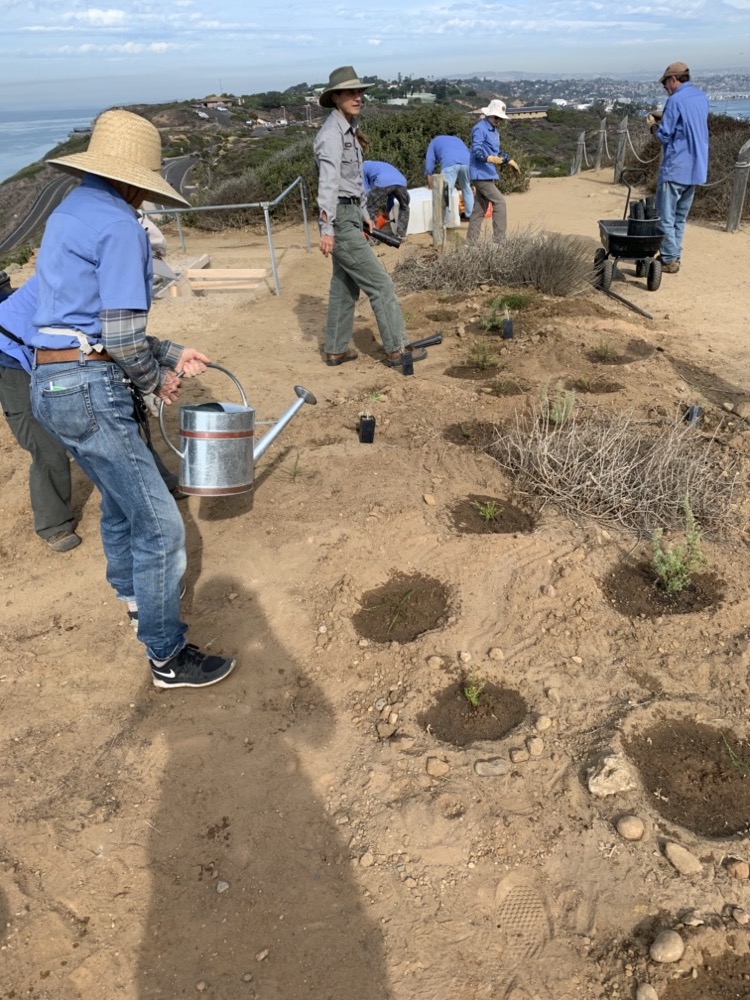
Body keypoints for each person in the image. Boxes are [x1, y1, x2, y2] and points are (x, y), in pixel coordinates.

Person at [28, 108, 236, 689]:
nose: (145, 199)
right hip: (91, 389)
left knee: (121, 504)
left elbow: (88, 322)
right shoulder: (119, 224)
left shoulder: (71, 211)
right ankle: (167, 656)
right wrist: (153, 382)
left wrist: (169, 353)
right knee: (161, 526)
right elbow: (119, 336)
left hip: (52, 381)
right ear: (134, 179)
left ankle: (135, 598)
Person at [313, 65, 426, 369]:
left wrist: (362, 215)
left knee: (344, 286)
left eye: (360, 91)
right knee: (381, 285)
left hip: (348, 214)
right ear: (335, 97)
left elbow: (353, 183)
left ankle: (336, 350)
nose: (357, 96)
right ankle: (397, 349)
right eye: (350, 92)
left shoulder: (347, 130)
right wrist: (327, 228)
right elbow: (328, 183)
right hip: (338, 217)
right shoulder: (331, 135)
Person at [0, 276, 80, 552]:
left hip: (44, 345)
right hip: (10, 358)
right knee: (44, 442)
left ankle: (156, 486)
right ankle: (54, 523)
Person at [650, 61, 709, 274]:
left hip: (676, 166)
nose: (665, 88)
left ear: (673, 79)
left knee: (665, 216)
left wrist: (653, 126)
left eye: (666, 83)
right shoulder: (701, 98)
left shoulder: (675, 101)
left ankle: (668, 259)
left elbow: (665, 136)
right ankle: (674, 254)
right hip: (696, 167)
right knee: (680, 218)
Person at [466, 99, 520, 245]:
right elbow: (476, 151)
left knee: (479, 209)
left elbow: (496, 151)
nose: (498, 120)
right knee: (500, 202)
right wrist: (490, 159)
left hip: (488, 173)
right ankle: (499, 242)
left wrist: (508, 160)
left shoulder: (494, 130)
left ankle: (470, 244)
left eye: (500, 118)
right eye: (496, 117)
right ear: (488, 115)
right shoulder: (480, 128)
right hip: (480, 173)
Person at [424, 133, 474, 220]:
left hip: (449, 163)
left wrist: (430, 184)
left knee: (446, 190)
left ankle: (445, 219)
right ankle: (470, 215)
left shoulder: (433, 142)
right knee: (466, 187)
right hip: (467, 162)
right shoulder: (457, 139)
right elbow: (467, 151)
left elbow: (429, 162)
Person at [362, 160, 410, 242]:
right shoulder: (382, 165)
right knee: (404, 207)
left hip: (382, 181)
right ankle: (401, 235)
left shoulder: (362, 167)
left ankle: (373, 239)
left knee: (370, 210)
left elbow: (365, 190)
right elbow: (391, 194)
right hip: (401, 182)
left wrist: (365, 206)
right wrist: (387, 212)